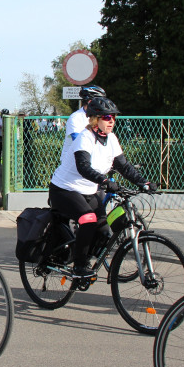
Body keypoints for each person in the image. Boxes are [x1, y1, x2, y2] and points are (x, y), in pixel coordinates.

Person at [48, 96, 157, 278]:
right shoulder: (85, 137)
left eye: (113, 117)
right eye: (107, 117)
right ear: (95, 119)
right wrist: (105, 181)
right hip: (65, 189)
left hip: (89, 191)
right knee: (88, 219)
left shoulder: (111, 138)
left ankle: (82, 254)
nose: (111, 121)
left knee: (104, 230)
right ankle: (79, 266)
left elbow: (124, 166)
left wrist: (143, 182)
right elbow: (84, 167)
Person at [61, 84, 106, 159]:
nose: (103, 105)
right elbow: (80, 142)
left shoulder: (99, 117)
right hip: (73, 162)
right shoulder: (76, 118)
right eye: (100, 102)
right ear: (90, 102)